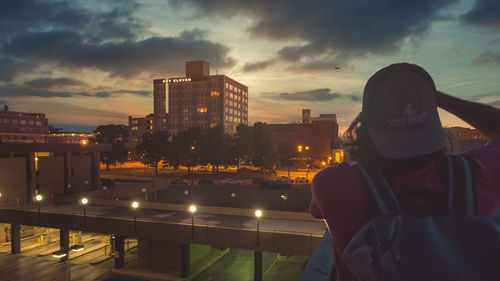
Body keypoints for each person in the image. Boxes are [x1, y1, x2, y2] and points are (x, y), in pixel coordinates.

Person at [309, 63, 500, 281]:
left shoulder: (335, 186)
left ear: (365, 125)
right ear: (433, 122)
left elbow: (315, 210)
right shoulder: (476, 178)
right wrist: (428, 96)